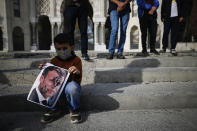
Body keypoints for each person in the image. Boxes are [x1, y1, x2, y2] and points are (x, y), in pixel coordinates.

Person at [38, 33, 82, 124]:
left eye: (65, 48)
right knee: (47, 84)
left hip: (69, 88)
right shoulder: (54, 61)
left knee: (72, 87)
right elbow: (49, 78)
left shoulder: (76, 60)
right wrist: (44, 69)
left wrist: (77, 71)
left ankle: (74, 109)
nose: (62, 51)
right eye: (58, 49)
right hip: (57, 88)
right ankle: (52, 108)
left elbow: (77, 81)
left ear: (72, 48)